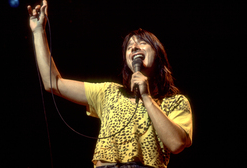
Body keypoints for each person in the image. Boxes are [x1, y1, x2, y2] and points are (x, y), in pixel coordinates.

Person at [27, 1, 193, 168]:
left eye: (142, 43)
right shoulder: (109, 92)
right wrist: (38, 32)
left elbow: (176, 144)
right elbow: (53, 83)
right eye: (129, 47)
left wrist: (146, 97)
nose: (134, 47)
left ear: (158, 54)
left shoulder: (175, 101)